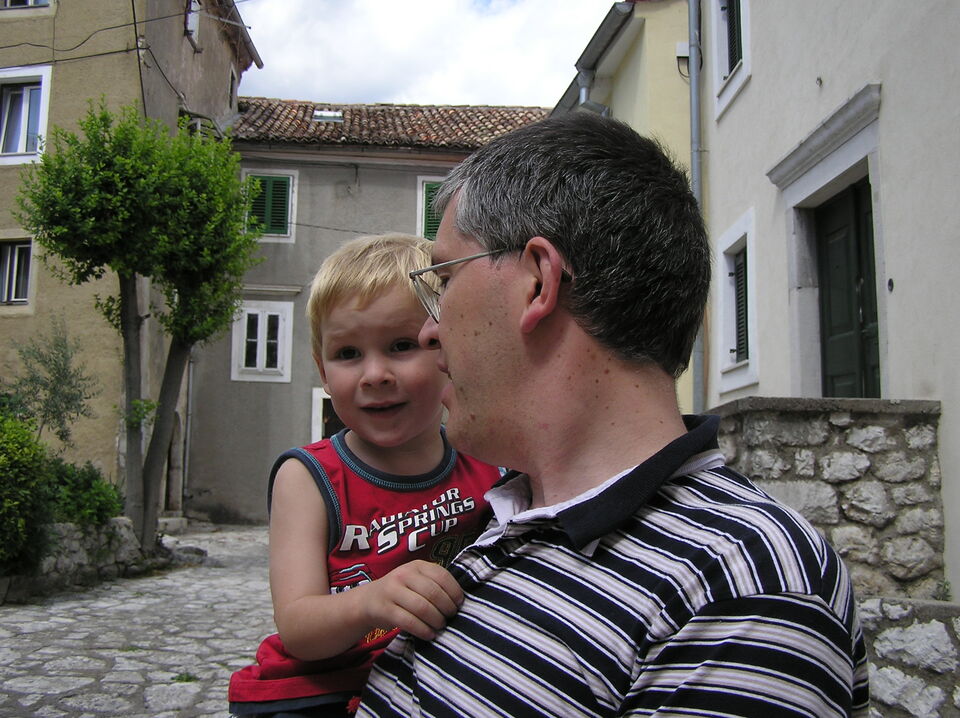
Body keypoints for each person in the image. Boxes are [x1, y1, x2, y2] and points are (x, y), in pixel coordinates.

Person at [359, 114, 870, 717]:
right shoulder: (510, 513)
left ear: (537, 282)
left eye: (444, 281)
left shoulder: (747, 589)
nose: (428, 330)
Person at [229, 233, 502, 717]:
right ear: (323, 371)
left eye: (400, 345)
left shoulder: (487, 462)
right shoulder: (308, 478)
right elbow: (298, 628)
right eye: (348, 354)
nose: (374, 374)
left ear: (446, 348)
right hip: (316, 693)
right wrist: (371, 601)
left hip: (429, 677)